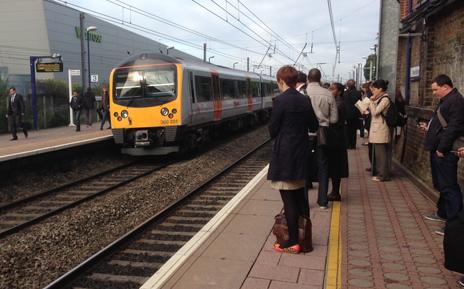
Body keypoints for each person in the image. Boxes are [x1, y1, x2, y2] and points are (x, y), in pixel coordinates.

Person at [268, 65, 318, 254]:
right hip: (302, 153)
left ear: (281, 81)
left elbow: (273, 129)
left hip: (285, 155)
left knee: (288, 198)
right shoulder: (305, 100)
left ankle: (293, 242)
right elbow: (314, 125)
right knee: (300, 197)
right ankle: (305, 238)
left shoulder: (280, 101)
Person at [421, 74, 464, 236]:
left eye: (435, 90)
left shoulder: (456, 102)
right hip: (438, 148)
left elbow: (454, 128)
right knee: (441, 184)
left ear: (445, 87)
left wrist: (442, 148)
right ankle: (443, 212)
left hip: (444, 151)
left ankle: (455, 223)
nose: (434, 93)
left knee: (448, 185)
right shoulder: (447, 101)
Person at [306, 68, 338, 209]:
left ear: (308, 78)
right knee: (323, 165)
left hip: (305, 134)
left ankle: (304, 203)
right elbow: (335, 119)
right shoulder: (328, 94)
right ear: (319, 79)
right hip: (323, 133)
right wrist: (325, 120)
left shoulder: (303, 92)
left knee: (303, 165)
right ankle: (323, 201)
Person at [327, 83, 349, 201]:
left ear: (339, 91)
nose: (329, 90)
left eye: (332, 89)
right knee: (335, 165)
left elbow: (333, 121)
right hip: (337, 137)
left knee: (335, 165)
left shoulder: (338, 104)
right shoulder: (337, 101)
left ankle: (335, 192)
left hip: (336, 138)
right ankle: (334, 191)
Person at [368, 79, 391, 182]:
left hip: (381, 129)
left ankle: (383, 175)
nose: (373, 91)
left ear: (380, 89)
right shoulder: (380, 98)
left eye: (375, 89)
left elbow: (375, 112)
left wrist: (372, 102)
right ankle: (380, 173)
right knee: (378, 153)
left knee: (381, 154)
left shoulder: (385, 99)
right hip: (377, 129)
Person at [344, 79, 362, 149]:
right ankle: (353, 145)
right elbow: (359, 103)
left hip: (346, 114)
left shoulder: (345, 93)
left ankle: (348, 144)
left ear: (347, 85)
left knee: (347, 130)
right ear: (354, 84)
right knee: (353, 130)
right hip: (355, 114)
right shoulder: (358, 93)